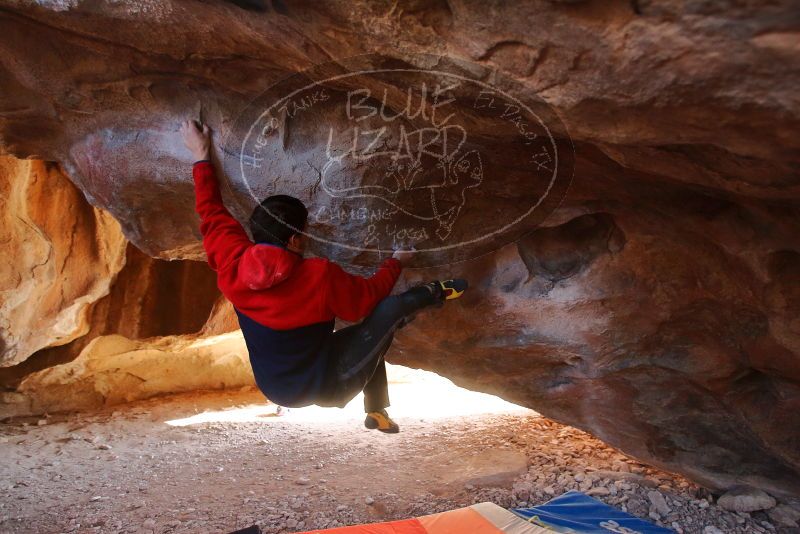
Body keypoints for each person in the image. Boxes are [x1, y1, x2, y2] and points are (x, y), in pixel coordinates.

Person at [181, 119, 467, 433]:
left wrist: (200, 153)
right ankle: (432, 293)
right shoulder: (317, 276)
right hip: (327, 385)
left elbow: (210, 209)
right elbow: (367, 301)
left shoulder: (231, 258)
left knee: (371, 339)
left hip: (276, 385)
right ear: (294, 240)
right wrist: (397, 262)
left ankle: (377, 412)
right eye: (304, 231)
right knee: (387, 313)